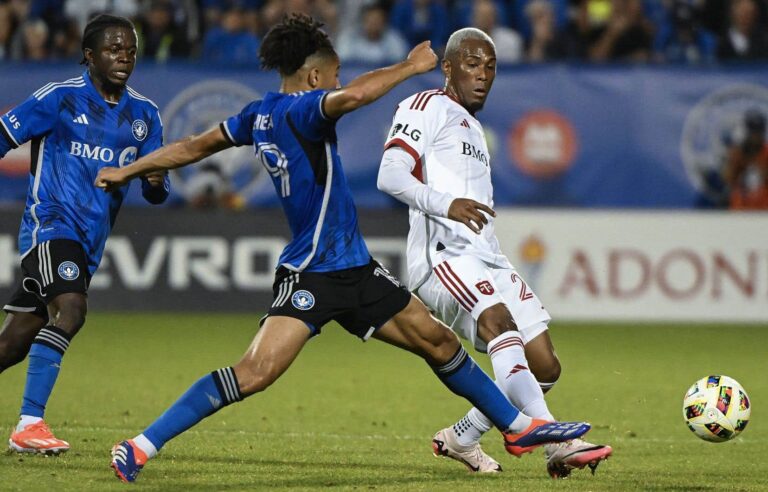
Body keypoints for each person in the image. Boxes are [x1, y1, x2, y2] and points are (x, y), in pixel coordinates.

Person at [94, 14, 591, 484]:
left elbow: (193, 146)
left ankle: (516, 426)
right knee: (254, 373)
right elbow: (353, 97)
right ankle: (140, 444)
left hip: (357, 270)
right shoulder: (303, 110)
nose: (335, 83)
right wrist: (410, 67)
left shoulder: (257, 114)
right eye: (331, 75)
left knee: (438, 342)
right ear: (313, 77)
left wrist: (129, 170)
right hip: (312, 273)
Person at [376, 27, 612, 478]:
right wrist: (448, 205)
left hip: (486, 255)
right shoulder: (424, 106)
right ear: (447, 68)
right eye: (471, 64)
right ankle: (554, 442)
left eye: (490, 66)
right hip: (443, 257)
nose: (483, 75)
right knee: (498, 323)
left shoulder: (473, 126)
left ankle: (461, 437)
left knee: (544, 363)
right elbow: (389, 174)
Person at [0, 14, 169, 455]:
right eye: (114, 49)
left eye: (130, 50)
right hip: (49, 226)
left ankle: (28, 423)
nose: (124, 58)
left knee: (15, 342)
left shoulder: (145, 115)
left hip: (88, 242)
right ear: (89, 56)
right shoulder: (59, 98)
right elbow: (3, 135)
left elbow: (157, 191)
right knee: (72, 311)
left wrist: (153, 181)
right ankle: (29, 425)